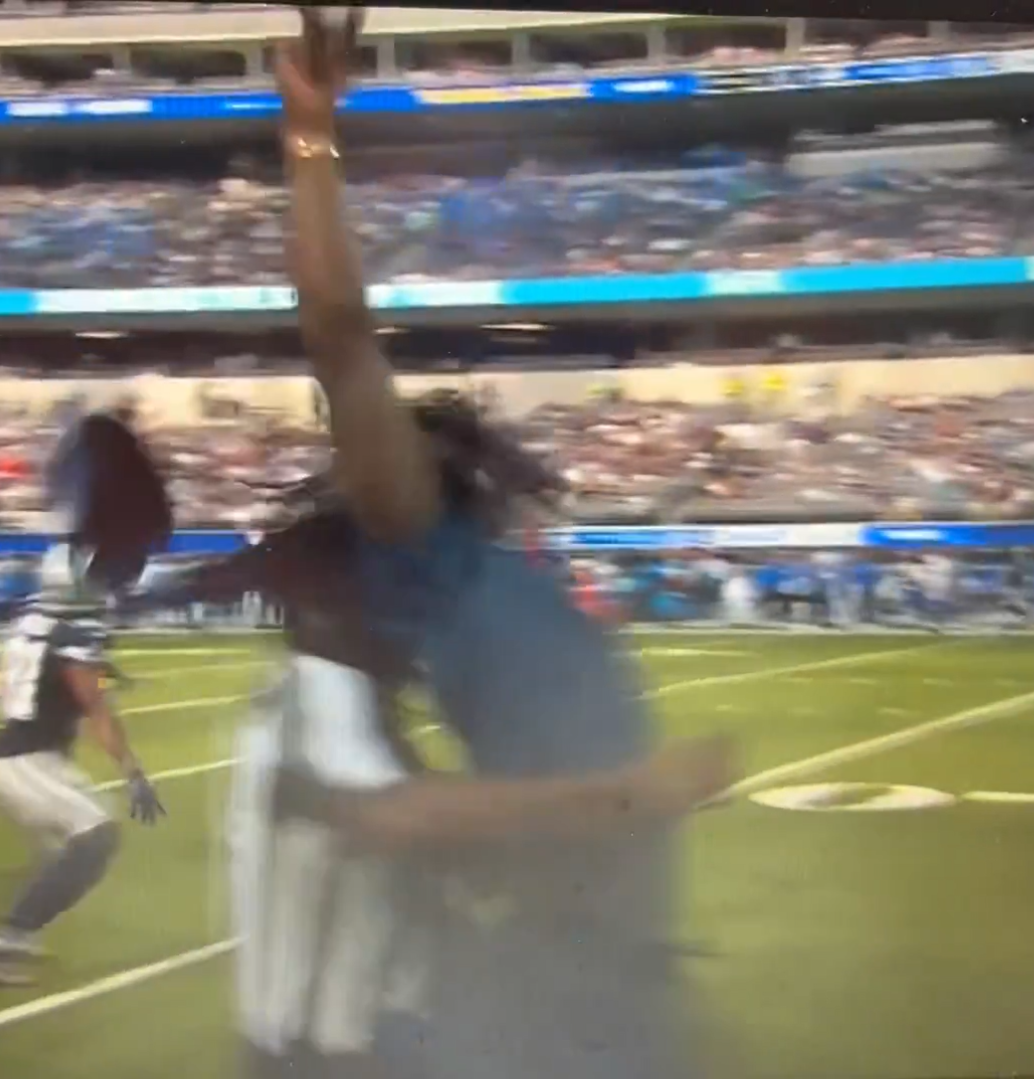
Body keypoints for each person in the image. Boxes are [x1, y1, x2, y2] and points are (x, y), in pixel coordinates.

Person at [263, 12, 735, 1079]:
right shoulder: (421, 544)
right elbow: (339, 336)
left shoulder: (498, 560)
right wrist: (310, 143)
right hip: (550, 974)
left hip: (606, 955)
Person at [197, 513, 730, 1079]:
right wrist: (626, 796)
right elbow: (398, 818)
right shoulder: (314, 693)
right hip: (322, 1059)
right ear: (333, 604)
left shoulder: (366, 710)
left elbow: (456, 858)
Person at [0, 543, 165, 985]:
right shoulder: (73, 632)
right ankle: (0, 941)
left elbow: (56, 662)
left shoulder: (32, 622)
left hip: (15, 752)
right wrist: (133, 772)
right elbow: (95, 707)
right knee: (96, 840)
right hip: (26, 759)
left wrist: (110, 669)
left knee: (64, 853)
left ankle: (18, 931)